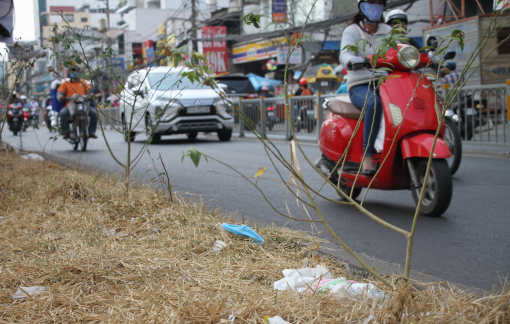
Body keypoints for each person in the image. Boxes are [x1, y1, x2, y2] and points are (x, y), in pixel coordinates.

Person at [339, 0, 392, 175]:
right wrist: (350, 60)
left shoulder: (388, 31)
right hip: (360, 85)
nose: (375, 7)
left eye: (379, 3)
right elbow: (345, 52)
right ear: (362, 7)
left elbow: (402, 50)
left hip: (387, 83)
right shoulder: (352, 30)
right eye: (371, 3)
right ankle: (367, 155)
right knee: (373, 104)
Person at [57, 68, 98, 139]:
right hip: (70, 105)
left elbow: (90, 92)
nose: (75, 73)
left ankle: (91, 132)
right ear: (70, 73)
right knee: (62, 113)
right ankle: (66, 132)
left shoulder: (83, 82)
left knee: (94, 113)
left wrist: (91, 95)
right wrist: (61, 97)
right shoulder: (65, 84)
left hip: (83, 104)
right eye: (73, 72)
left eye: (76, 72)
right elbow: (59, 94)